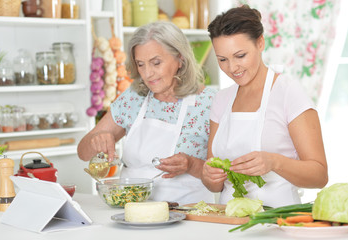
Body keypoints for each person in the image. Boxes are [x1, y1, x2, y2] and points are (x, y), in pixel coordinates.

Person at [201, 5, 328, 207]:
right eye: (222, 60)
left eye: (240, 56)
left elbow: (320, 176)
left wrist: (274, 162)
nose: (232, 68)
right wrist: (209, 176)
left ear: (260, 43)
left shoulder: (289, 93)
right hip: (229, 220)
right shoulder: (221, 100)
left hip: (278, 220)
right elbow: (214, 185)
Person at [78, 21, 216, 205]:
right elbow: (83, 152)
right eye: (140, 64)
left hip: (189, 216)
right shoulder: (134, 97)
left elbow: (223, 177)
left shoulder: (209, 103)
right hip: (132, 211)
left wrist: (191, 165)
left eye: (156, 63)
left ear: (180, 58)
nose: (148, 73)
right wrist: (96, 141)